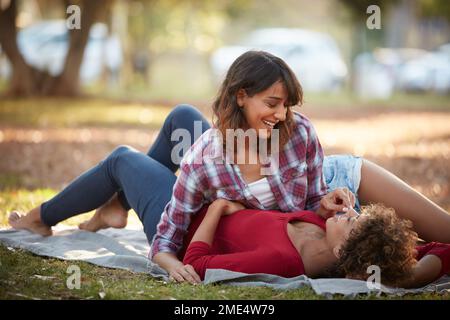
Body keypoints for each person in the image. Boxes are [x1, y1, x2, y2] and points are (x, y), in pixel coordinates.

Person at [8, 51, 450, 284]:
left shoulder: (300, 135)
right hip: (192, 217)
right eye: (272, 104)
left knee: (181, 114)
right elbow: (169, 238)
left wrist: (325, 202)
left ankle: (115, 206)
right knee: (124, 158)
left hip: (232, 218)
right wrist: (213, 212)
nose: (283, 115)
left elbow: (305, 201)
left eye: (288, 105)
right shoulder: (205, 160)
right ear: (241, 96)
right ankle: (44, 218)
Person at [182, 200, 450, 288]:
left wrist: (217, 207)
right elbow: (443, 249)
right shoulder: (322, 226)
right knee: (184, 119)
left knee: (180, 117)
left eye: (350, 222)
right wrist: (402, 276)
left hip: (184, 222)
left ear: (341, 251)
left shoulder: (280, 260)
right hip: (200, 196)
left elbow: (195, 264)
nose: (349, 211)